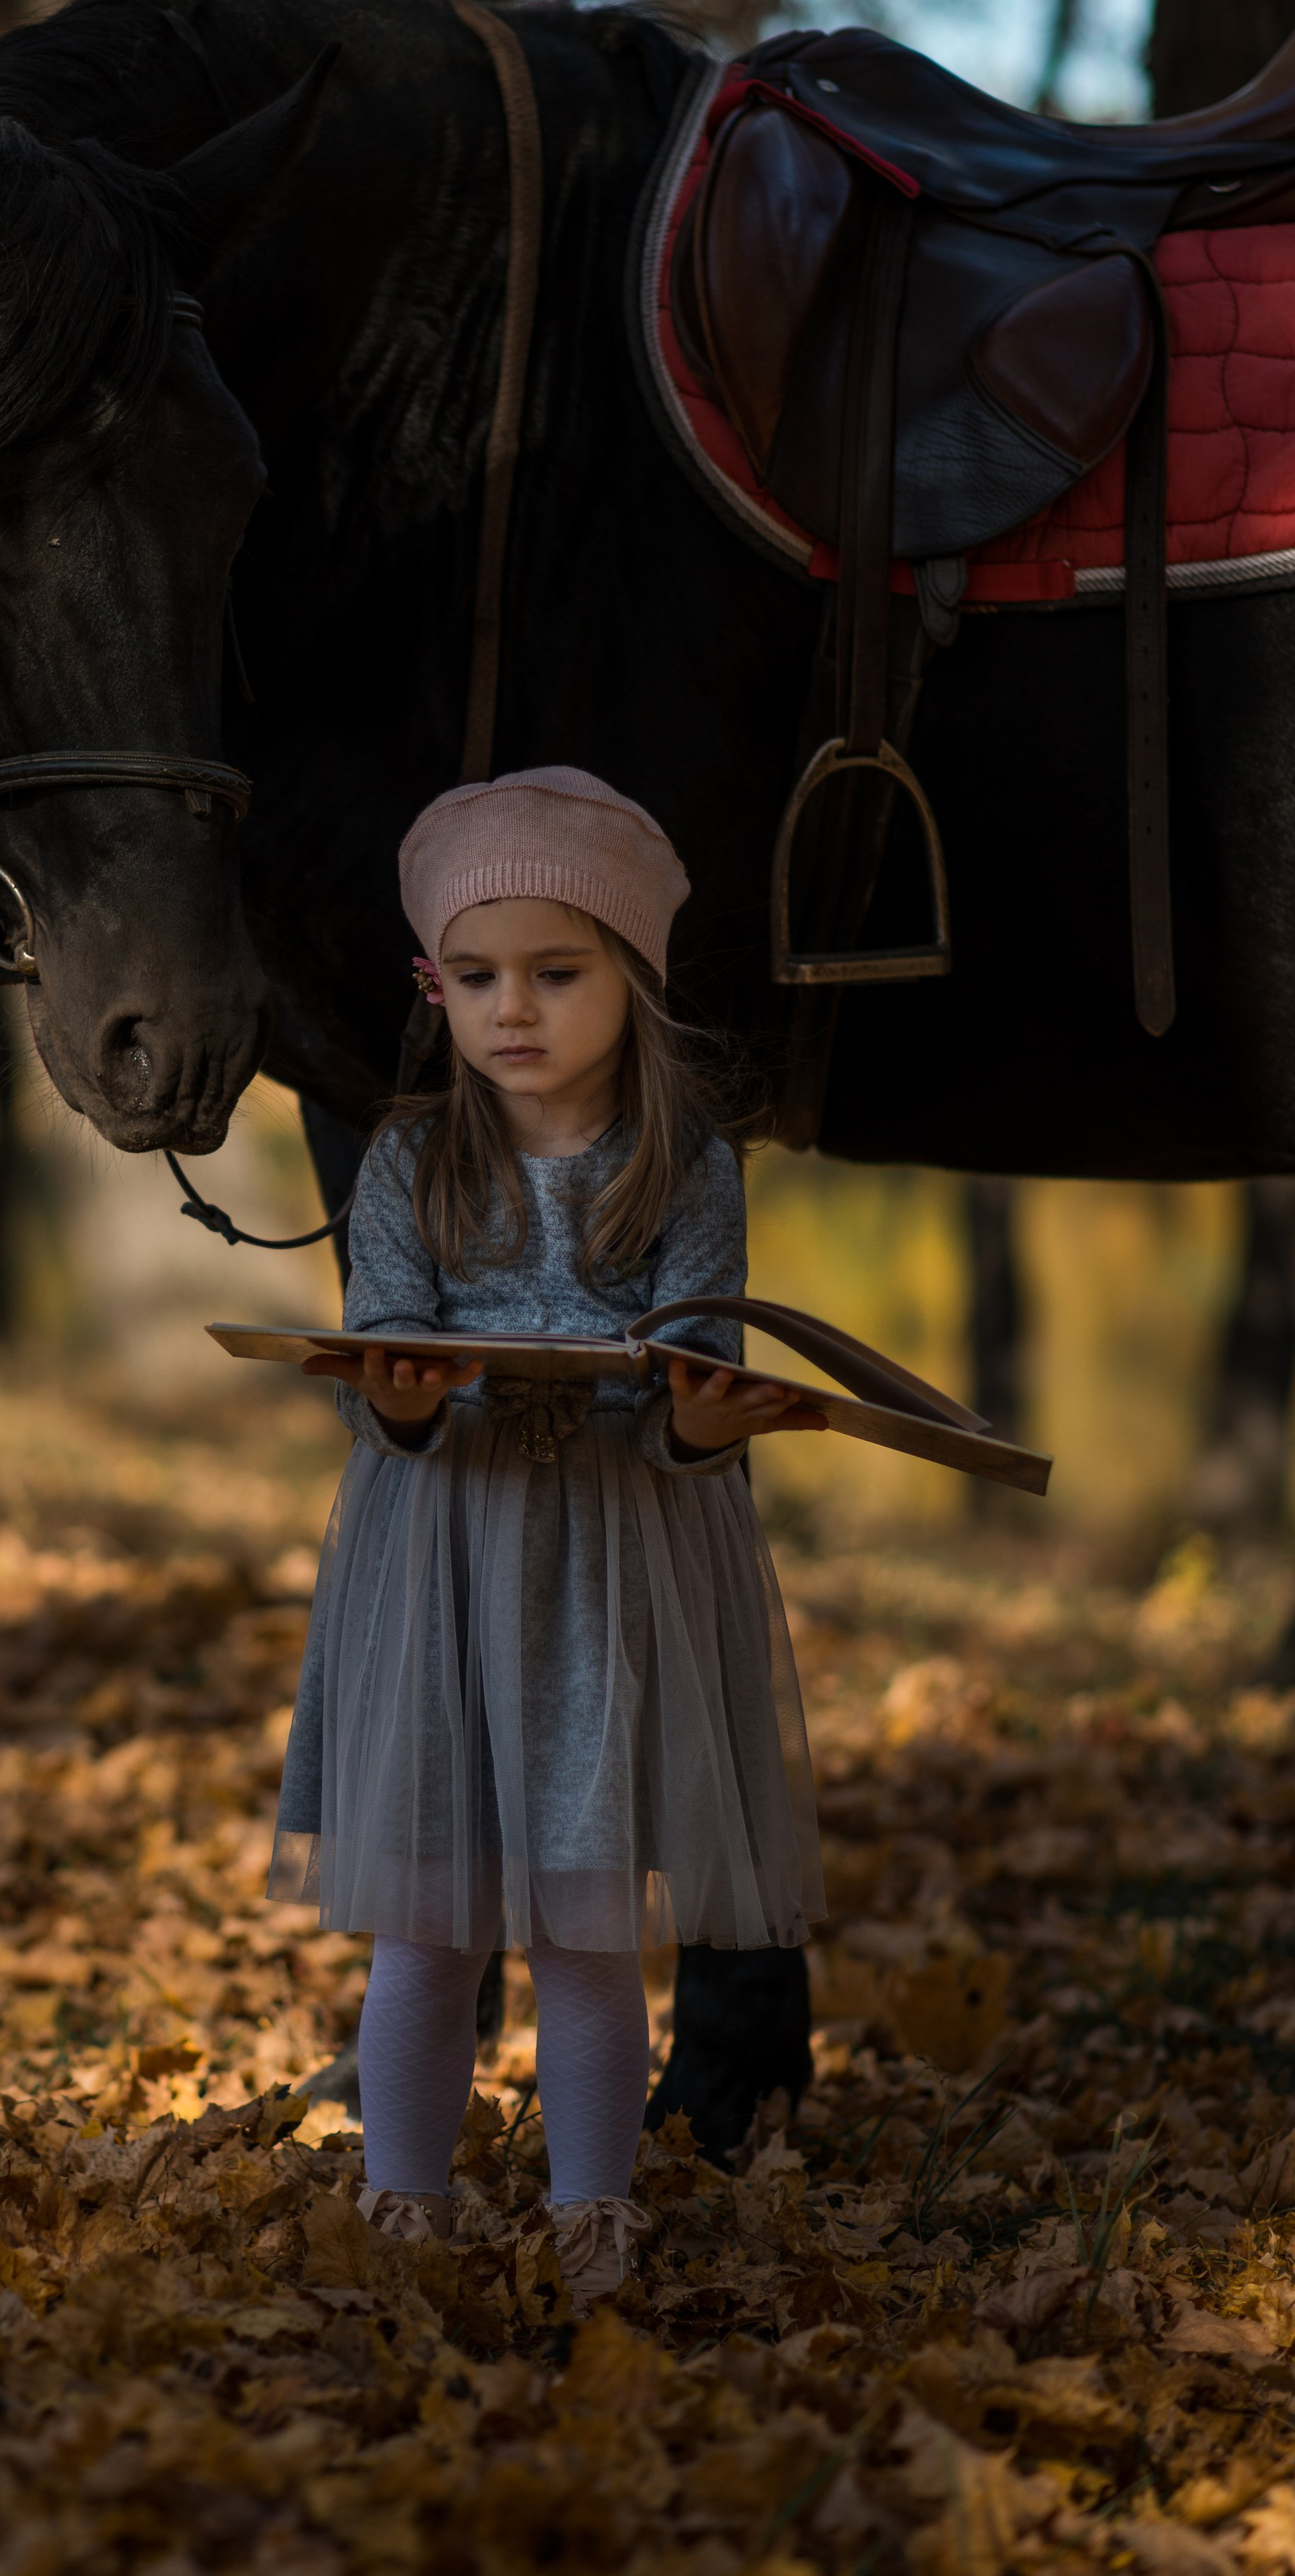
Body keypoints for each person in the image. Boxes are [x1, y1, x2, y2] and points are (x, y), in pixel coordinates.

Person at [269, 766, 826, 2305]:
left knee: (585, 1926)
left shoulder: (683, 1169)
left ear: (629, 976)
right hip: (442, 1564)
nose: (511, 1008)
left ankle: (594, 2220)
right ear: (431, 983)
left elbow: (687, 1378)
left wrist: (699, 1425)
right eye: (476, 975)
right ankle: (400, 2206)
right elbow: (379, 1366)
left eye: (554, 972)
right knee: (427, 1928)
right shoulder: (407, 1162)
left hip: (607, 1572)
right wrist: (391, 1399)